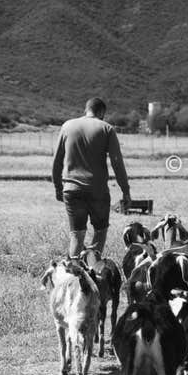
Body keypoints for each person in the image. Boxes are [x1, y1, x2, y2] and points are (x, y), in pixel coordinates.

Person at [52, 97, 131, 258]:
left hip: (72, 190)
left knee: (77, 235)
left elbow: (57, 162)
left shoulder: (67, 126)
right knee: (100, 232)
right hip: (98, 191)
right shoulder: (106, 128)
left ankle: (73, 274)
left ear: (86, 109)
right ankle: (93, 271)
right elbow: (117, 162)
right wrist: (125, 191)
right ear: (101, 112)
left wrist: (58, 188)